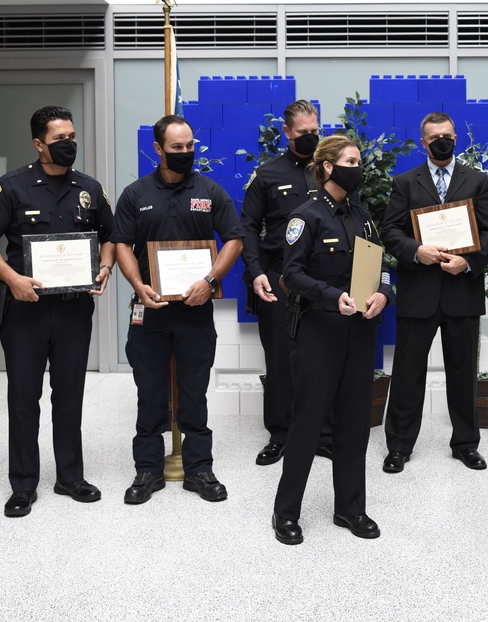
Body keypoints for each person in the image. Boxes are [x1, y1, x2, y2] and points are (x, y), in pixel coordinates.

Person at [0, 105, 116, 518]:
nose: (69, 144)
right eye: (60, 139)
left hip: (74, 310)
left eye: (72, 136)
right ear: (39, 144)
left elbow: (110, 235)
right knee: (24, 398)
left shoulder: (88, 187)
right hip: (26, 311)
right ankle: (23, 484)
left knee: (69, 395)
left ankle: (70, 476)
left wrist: (105, 266)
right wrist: (10, 278)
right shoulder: (12, 187)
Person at [113, 114, 243, 505]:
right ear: (158, 149)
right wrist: (138, 285)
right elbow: (121, 243)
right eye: (177, 148)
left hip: (194, 309)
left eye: (190, 146)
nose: (185, 153)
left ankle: (199, 467)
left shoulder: (209, 190)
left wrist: (210, 281)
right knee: (149, 392)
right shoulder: (135, 194)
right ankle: (148, 470)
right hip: (149, 310)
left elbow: (235, 239)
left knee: (194, 392)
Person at [272, 135, 393, 545]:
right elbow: (291, 274)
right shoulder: (305, 217)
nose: (358, 168)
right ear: (328, 166)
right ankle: (285, 513)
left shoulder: (364, 216)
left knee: (355, 423)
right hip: (318, 332)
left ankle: (350, 509)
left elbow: (382, 267)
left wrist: (384, 293)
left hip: (359, 333)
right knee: (307, 423)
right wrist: (330, 295)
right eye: (352, 161)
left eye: (359, 162)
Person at [380, 111, 488, 473]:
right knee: (407, 373)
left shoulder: (477, 181)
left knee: (463, 373)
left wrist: (468, 263)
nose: (441, 141)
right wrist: (417, 250)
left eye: (446, 135)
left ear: (455, 138)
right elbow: (390, 231)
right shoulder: (405, 182)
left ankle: (465, 444)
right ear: (424, 142)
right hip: (419, 291)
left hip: (461, 290)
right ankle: (399, 446)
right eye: (434, 137)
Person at [240, 99, 335, 466]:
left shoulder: (330, 171)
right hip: (279, 277)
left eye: (315, 132)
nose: (311, 139)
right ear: (286, 133)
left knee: (322, 358)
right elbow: (246, 226)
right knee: (280, 359)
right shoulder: (267, 175)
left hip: (323, 280)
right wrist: (255, 271)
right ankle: (280, 434)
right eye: (303, 134)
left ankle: (322, 435)